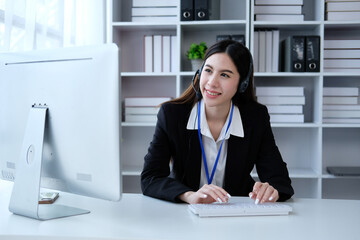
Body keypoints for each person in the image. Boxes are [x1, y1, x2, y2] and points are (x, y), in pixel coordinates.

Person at [141, 40, 294, 204]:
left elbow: (280, 181)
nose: (212, 82)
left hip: (234, 211)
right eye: (208, 70)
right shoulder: (172, 115)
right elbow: (151, 177)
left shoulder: (255, 118)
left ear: (242, 84)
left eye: (225, 75)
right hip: (184, 212)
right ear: (198, 74)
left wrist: (272, 190)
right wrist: (188, 195)